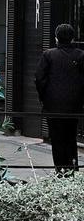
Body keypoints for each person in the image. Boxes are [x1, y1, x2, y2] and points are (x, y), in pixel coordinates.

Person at [35, 24, 84, 173]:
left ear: (56, 38)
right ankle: (72, 167)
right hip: (74, 105)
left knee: (56, 139)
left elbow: (39, 78)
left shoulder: (48, 55)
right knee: (71, 137)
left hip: (53, 105)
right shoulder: (80, 55)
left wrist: (44, 97)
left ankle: (60, 169)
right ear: (72, 38)